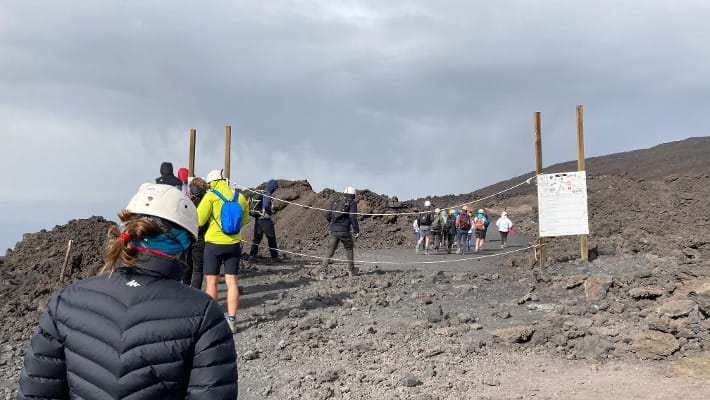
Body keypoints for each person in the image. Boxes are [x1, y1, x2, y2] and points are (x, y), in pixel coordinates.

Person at [17, 183, 238, 399]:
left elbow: (37, 391)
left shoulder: (66, 300)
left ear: (126, 231)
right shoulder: (204, 312)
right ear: (184, 244)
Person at [197, 169, 249, 333]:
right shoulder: (239, 197)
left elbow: (199, 219)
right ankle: (232, 321)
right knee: (232, 283)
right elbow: (244, 220)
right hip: (233, 244)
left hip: (213, 244)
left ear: (212, 182)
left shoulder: (211, 196)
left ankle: (213, 322)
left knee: (211, 283)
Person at [321, 186, 360, 279]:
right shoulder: (352, 202)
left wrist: (333, 224)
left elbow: (327, 215)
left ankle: (322, 273)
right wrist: (356, 230)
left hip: (333, 230)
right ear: (353, 194)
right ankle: (351, 271)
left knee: (329, 250)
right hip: (344, 230)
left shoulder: (336, 201)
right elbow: (352, 217)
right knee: (349, 248)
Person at [184, 177, 210, 288]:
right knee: (198, 268)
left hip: (186, 234)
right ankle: (195, 294)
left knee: (187, 264)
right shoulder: (207, 199)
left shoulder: (185, 197)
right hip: (200, 236)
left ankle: (184, 288)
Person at [249, 179, 280, 261]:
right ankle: (275, 257)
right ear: (272, 187)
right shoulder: (267, 193)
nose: (275, 189)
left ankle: (252, 255)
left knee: (257, 238)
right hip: (265, 219)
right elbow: (266, 205)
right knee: (271, 237)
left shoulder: (261, 193)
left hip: (258, 218)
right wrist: (270, 212)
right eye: (275, 187)